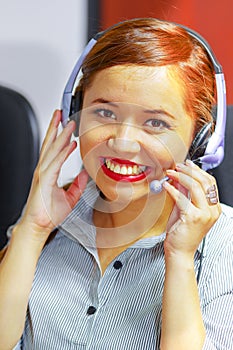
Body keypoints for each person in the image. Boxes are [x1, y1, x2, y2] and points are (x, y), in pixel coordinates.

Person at [0, 18, 232, 350]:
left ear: (200, 139)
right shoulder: (51, 217)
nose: (122, 143)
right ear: (75, 114)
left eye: (155, 122)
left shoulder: (224, 246)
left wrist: (180, 258)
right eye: (105, 113)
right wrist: (32, 229)